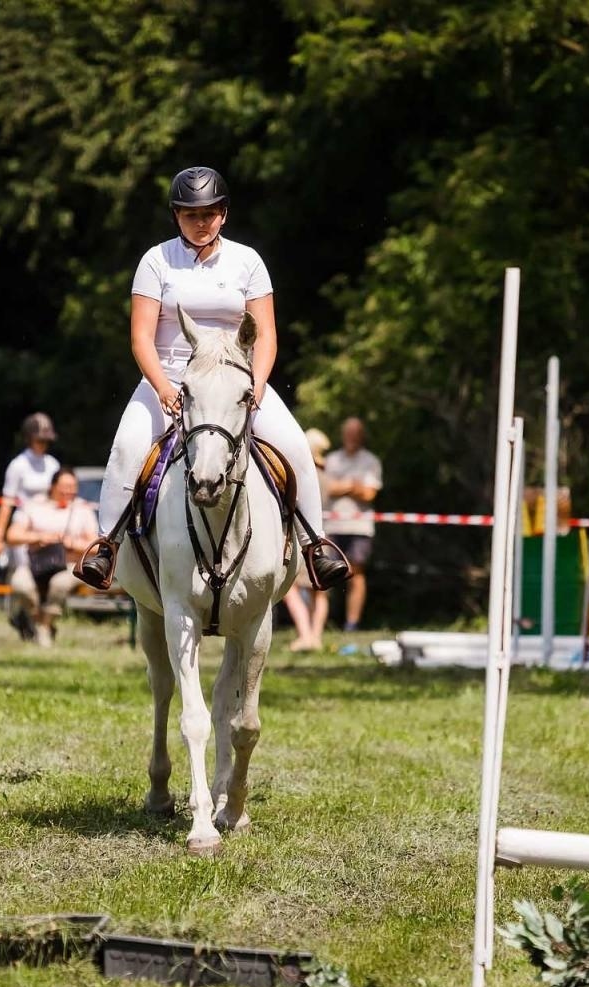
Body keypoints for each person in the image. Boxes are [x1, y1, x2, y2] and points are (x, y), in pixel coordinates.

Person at [74, 165, 350, 592]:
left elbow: (267, 334)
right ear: (176, 216)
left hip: (236, 381)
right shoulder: (156, 260)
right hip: (168, 377)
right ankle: (105, 547)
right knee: (128, 446)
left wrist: (257, 384)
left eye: (208, 214)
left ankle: (317, 545)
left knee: (294, 444)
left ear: (223, 213)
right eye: (190, 215)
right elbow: (141, 337)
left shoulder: (247, 261)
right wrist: (163, 389)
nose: (200, 223)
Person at [7, 469, 98, 647]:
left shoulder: (82, 509)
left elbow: (95, 546)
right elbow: (12, 536)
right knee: (19, 584)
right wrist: (40, 538)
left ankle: (44, 628)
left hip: (70, 565)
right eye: (65, 486)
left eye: (73, 487)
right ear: (53, 486)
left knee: (59, 583)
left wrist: (72, 543)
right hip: (37, 564)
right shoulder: (34, 506)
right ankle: (36, 619)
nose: (69, 491)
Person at [324, 416, 384, 631]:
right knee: (323, 575)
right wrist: (353, 485)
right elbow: (328, 489)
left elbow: (369, 494)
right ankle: (320, 624)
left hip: (359, 527)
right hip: (331, 525)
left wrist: (344, 486)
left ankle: (352, 623)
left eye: (355, 433)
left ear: (362, 436)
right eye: (348, 433)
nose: (351, 437)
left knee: (356, 575)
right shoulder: (331, 460)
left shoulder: (371, 461)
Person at [283, 428, 333, 651]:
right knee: (319, 592)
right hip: (324, 535)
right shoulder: (326, 475)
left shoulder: (304, 474)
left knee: (291, 589)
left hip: (304, 537)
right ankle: (316, 636)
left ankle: (305, 635)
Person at [0, 412, 61, 566]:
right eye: (39, 440)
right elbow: (7, 503)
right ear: (29, 439)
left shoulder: (53, 464)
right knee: (25, 571)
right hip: (24, 525)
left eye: (46, 440)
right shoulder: (18, 465)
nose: (43, 444)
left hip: (47, 523)